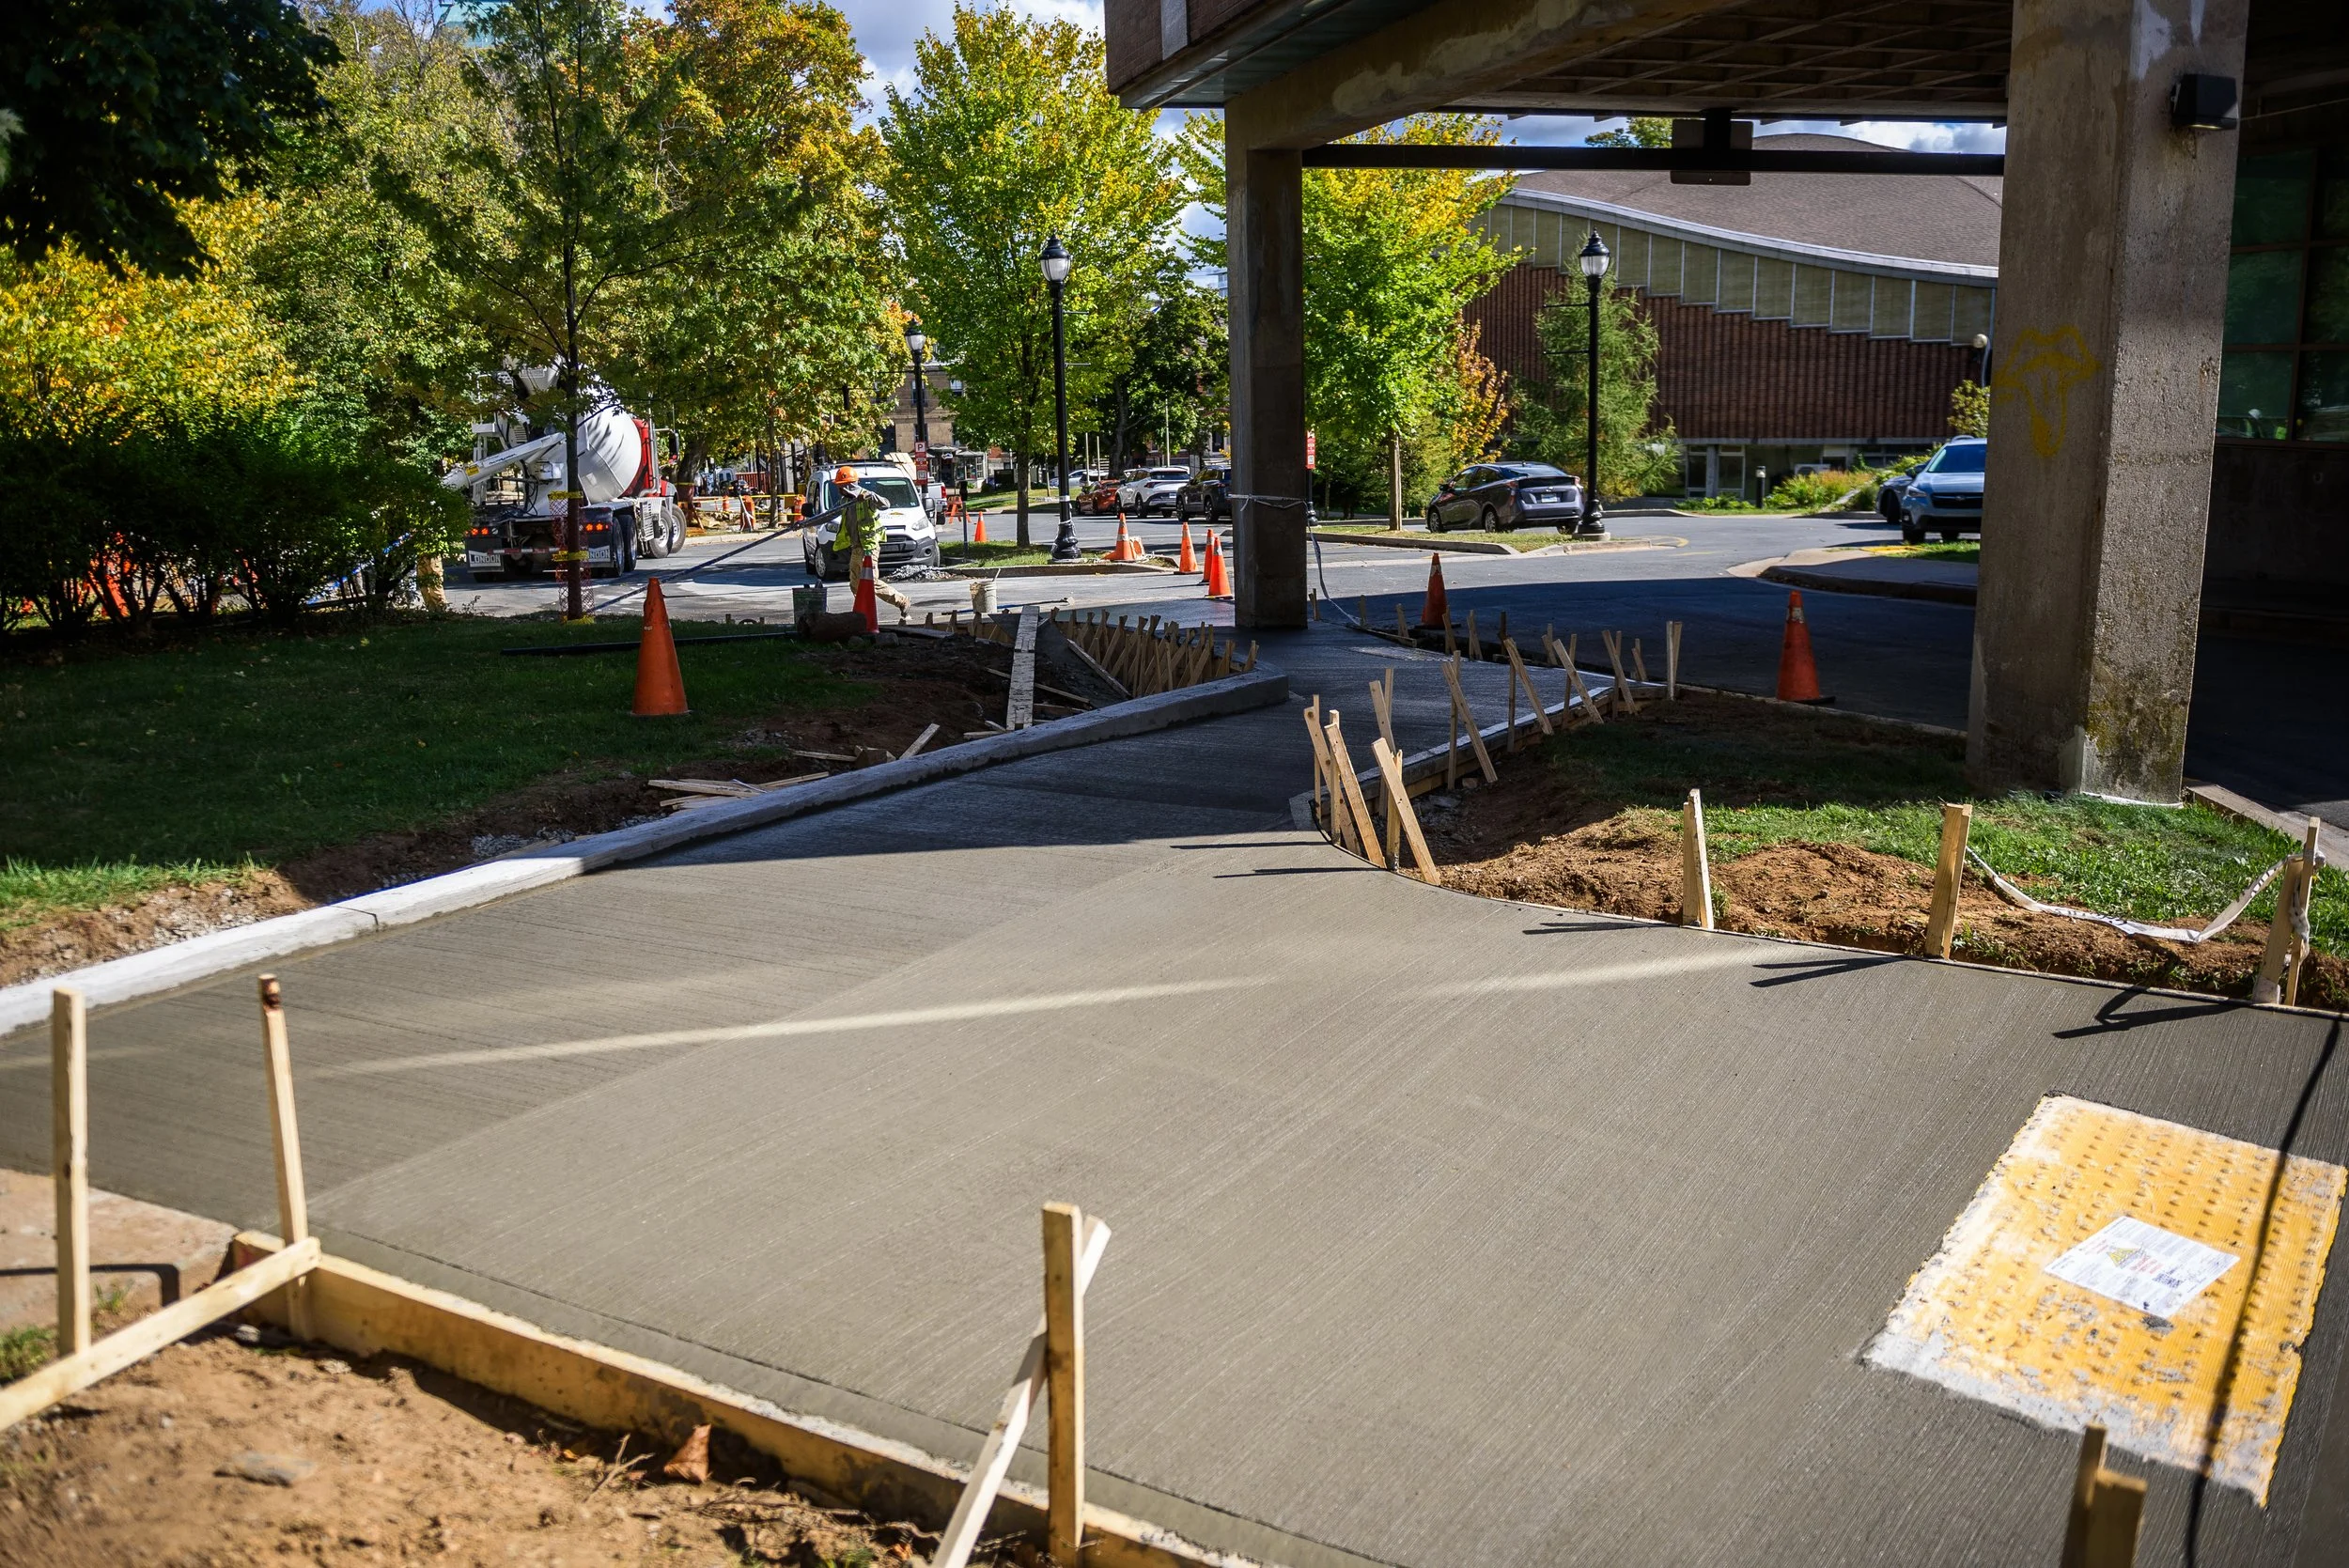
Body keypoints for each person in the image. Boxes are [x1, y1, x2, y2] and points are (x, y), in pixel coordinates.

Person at [831, 465, 911, 618]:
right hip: (856, 547)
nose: (838, 489)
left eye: (839, 486)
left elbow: (886, 504)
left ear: (847, 485)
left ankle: (901, 601)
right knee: (855, 584)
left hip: (869, 547)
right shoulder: (845, 501)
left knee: (871, 582)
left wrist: (870, 496)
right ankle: (862, 614)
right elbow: (831, 515)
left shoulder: (867, 496)